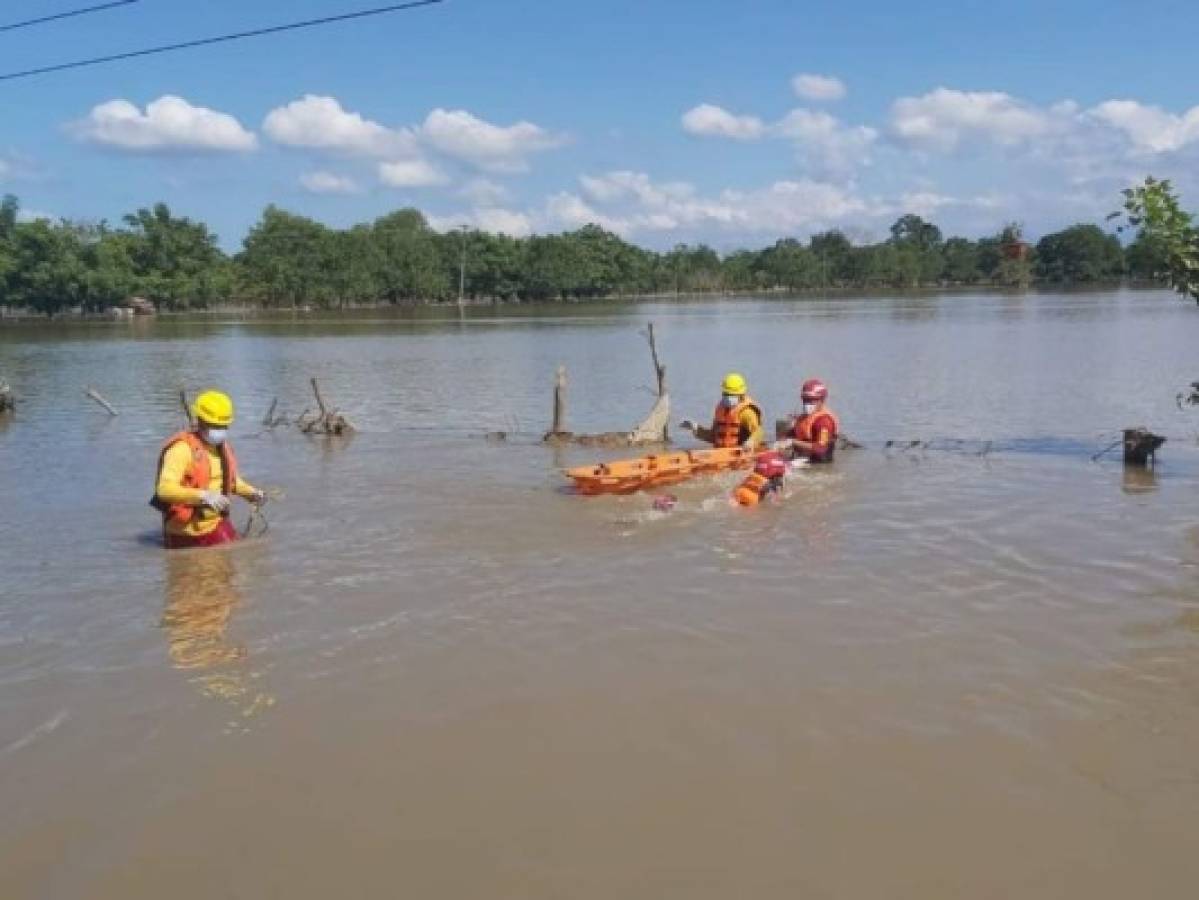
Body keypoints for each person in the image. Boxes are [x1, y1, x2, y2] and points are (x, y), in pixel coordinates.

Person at [152, 390, 264, 549]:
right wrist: (204, 496)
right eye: (215, 425)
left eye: (223, 426)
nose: (219, 430)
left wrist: (252, 493)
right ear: (200, 421)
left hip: (216, 523)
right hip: (185, 531)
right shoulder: (181, 449)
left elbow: (230, 482)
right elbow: (164, 490)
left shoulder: (222, 448)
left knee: (234, 561)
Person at [680, 372, 765, 450]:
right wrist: (696, 428)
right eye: (726, 394)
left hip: (740, 455)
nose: (728, 397)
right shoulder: (721, 410)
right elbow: (713, 437)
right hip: (721, 455)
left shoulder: (747, 412)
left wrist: (751, 442)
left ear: (741, 395)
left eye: (731, 395)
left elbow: (759, 432)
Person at [778, 378, 839, 463]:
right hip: (800, 458)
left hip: (817, 463)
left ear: (821, 400)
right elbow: (792, 435)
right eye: (805, 400)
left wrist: (793, 442)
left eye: (811, 400)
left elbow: (821, 448)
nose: (807, 404)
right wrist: (783, 440)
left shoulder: (824, 422)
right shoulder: (804, 417)